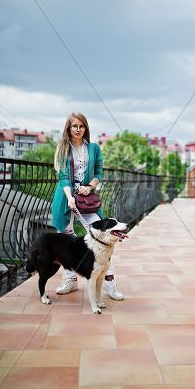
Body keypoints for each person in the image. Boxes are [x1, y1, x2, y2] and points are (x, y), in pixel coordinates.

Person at [52, 112, 124, 300]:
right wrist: (69, 196)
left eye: (81, 126)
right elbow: (63, 177)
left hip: (87, 199)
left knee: (102, 237)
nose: (78, 129)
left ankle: (109, 281)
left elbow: (99, 171)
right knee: (65, 239)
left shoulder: (93, 148)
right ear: (68, 128)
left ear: (86, 128)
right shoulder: (63, 148)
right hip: (65, 197)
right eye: (74, 126)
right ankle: (70, 279)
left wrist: (90, 186)